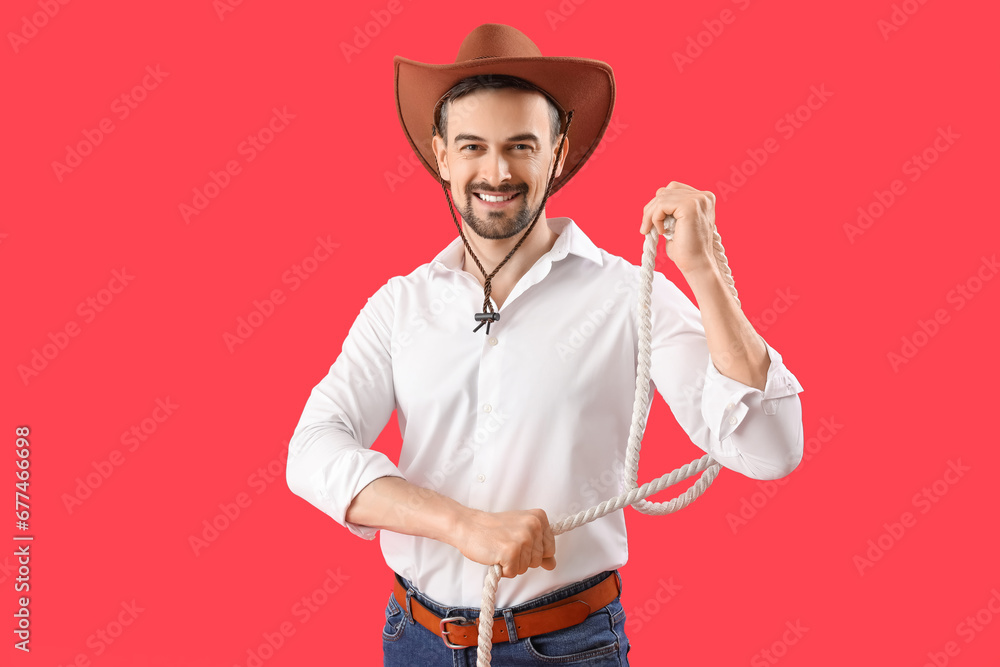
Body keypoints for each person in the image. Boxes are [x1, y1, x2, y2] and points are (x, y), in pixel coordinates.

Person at [285, 23, 805, 666]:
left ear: (557, 155)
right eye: (473, 146)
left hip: (568, 648)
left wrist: (703, 274)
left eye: (521, 146)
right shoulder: (400, 305)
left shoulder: (626, 296)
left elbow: (771, 449)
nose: (496, 171)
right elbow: (311, 450)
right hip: (413, 641)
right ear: (442, 155)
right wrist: (461, 524)